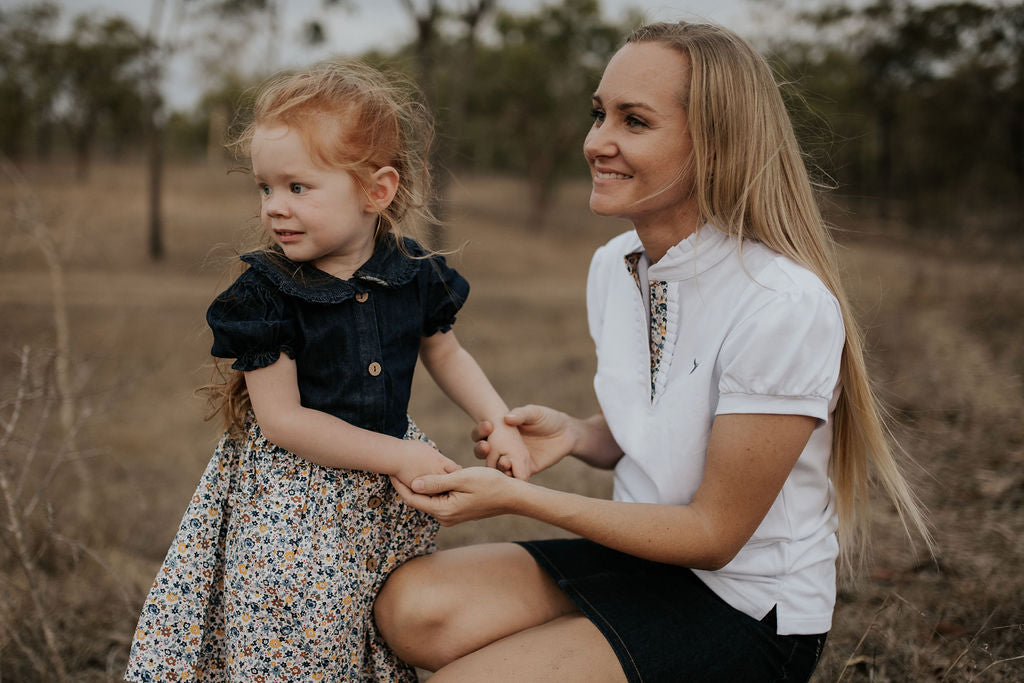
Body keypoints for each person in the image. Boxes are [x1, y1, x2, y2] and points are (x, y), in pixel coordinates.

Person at [373, 21, 933, 683]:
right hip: (641, 561)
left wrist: (520, 497)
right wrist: (580, 435)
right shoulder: (615, 266)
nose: (596, 142)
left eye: (633, 121)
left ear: (716, 146)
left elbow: (714, 533)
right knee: (409, 607)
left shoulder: (783, 304)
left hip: (744, 608)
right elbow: (676, 428)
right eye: (598, 113)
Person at [125, 59, 529, 682]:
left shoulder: (412, 271)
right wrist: (397, 456)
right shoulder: (267, 292)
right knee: (296, 648)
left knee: (374, 635)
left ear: (377, 190)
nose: (274, 208)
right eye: (264, 188)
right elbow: (283, 421)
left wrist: (495, 419)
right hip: (294, 503)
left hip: (383, 501)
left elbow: (444, 350)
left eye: (298, 187)